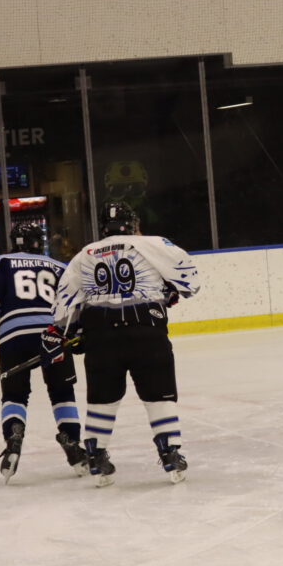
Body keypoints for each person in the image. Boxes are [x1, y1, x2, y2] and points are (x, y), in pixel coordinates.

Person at [45, 201, 201, 486]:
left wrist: (67, 331)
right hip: (146, 331)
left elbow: (64, 305)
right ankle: (169, 453)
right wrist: (168, 290)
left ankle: (96, 456)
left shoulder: (84, 254)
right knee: (159, 395)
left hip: (101, 336)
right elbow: (190, 280)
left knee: (102, 398)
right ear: (133, 224)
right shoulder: (153, 244)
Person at [0, 222, 87, 483]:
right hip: (53, 335)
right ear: (39, 242)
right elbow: (73, 303)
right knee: (62, 392)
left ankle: (14, 438)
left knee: (14, 395)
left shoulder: (1, 262)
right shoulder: (59, 266)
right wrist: (78, 331)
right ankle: (72, 442)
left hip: (13, 337)